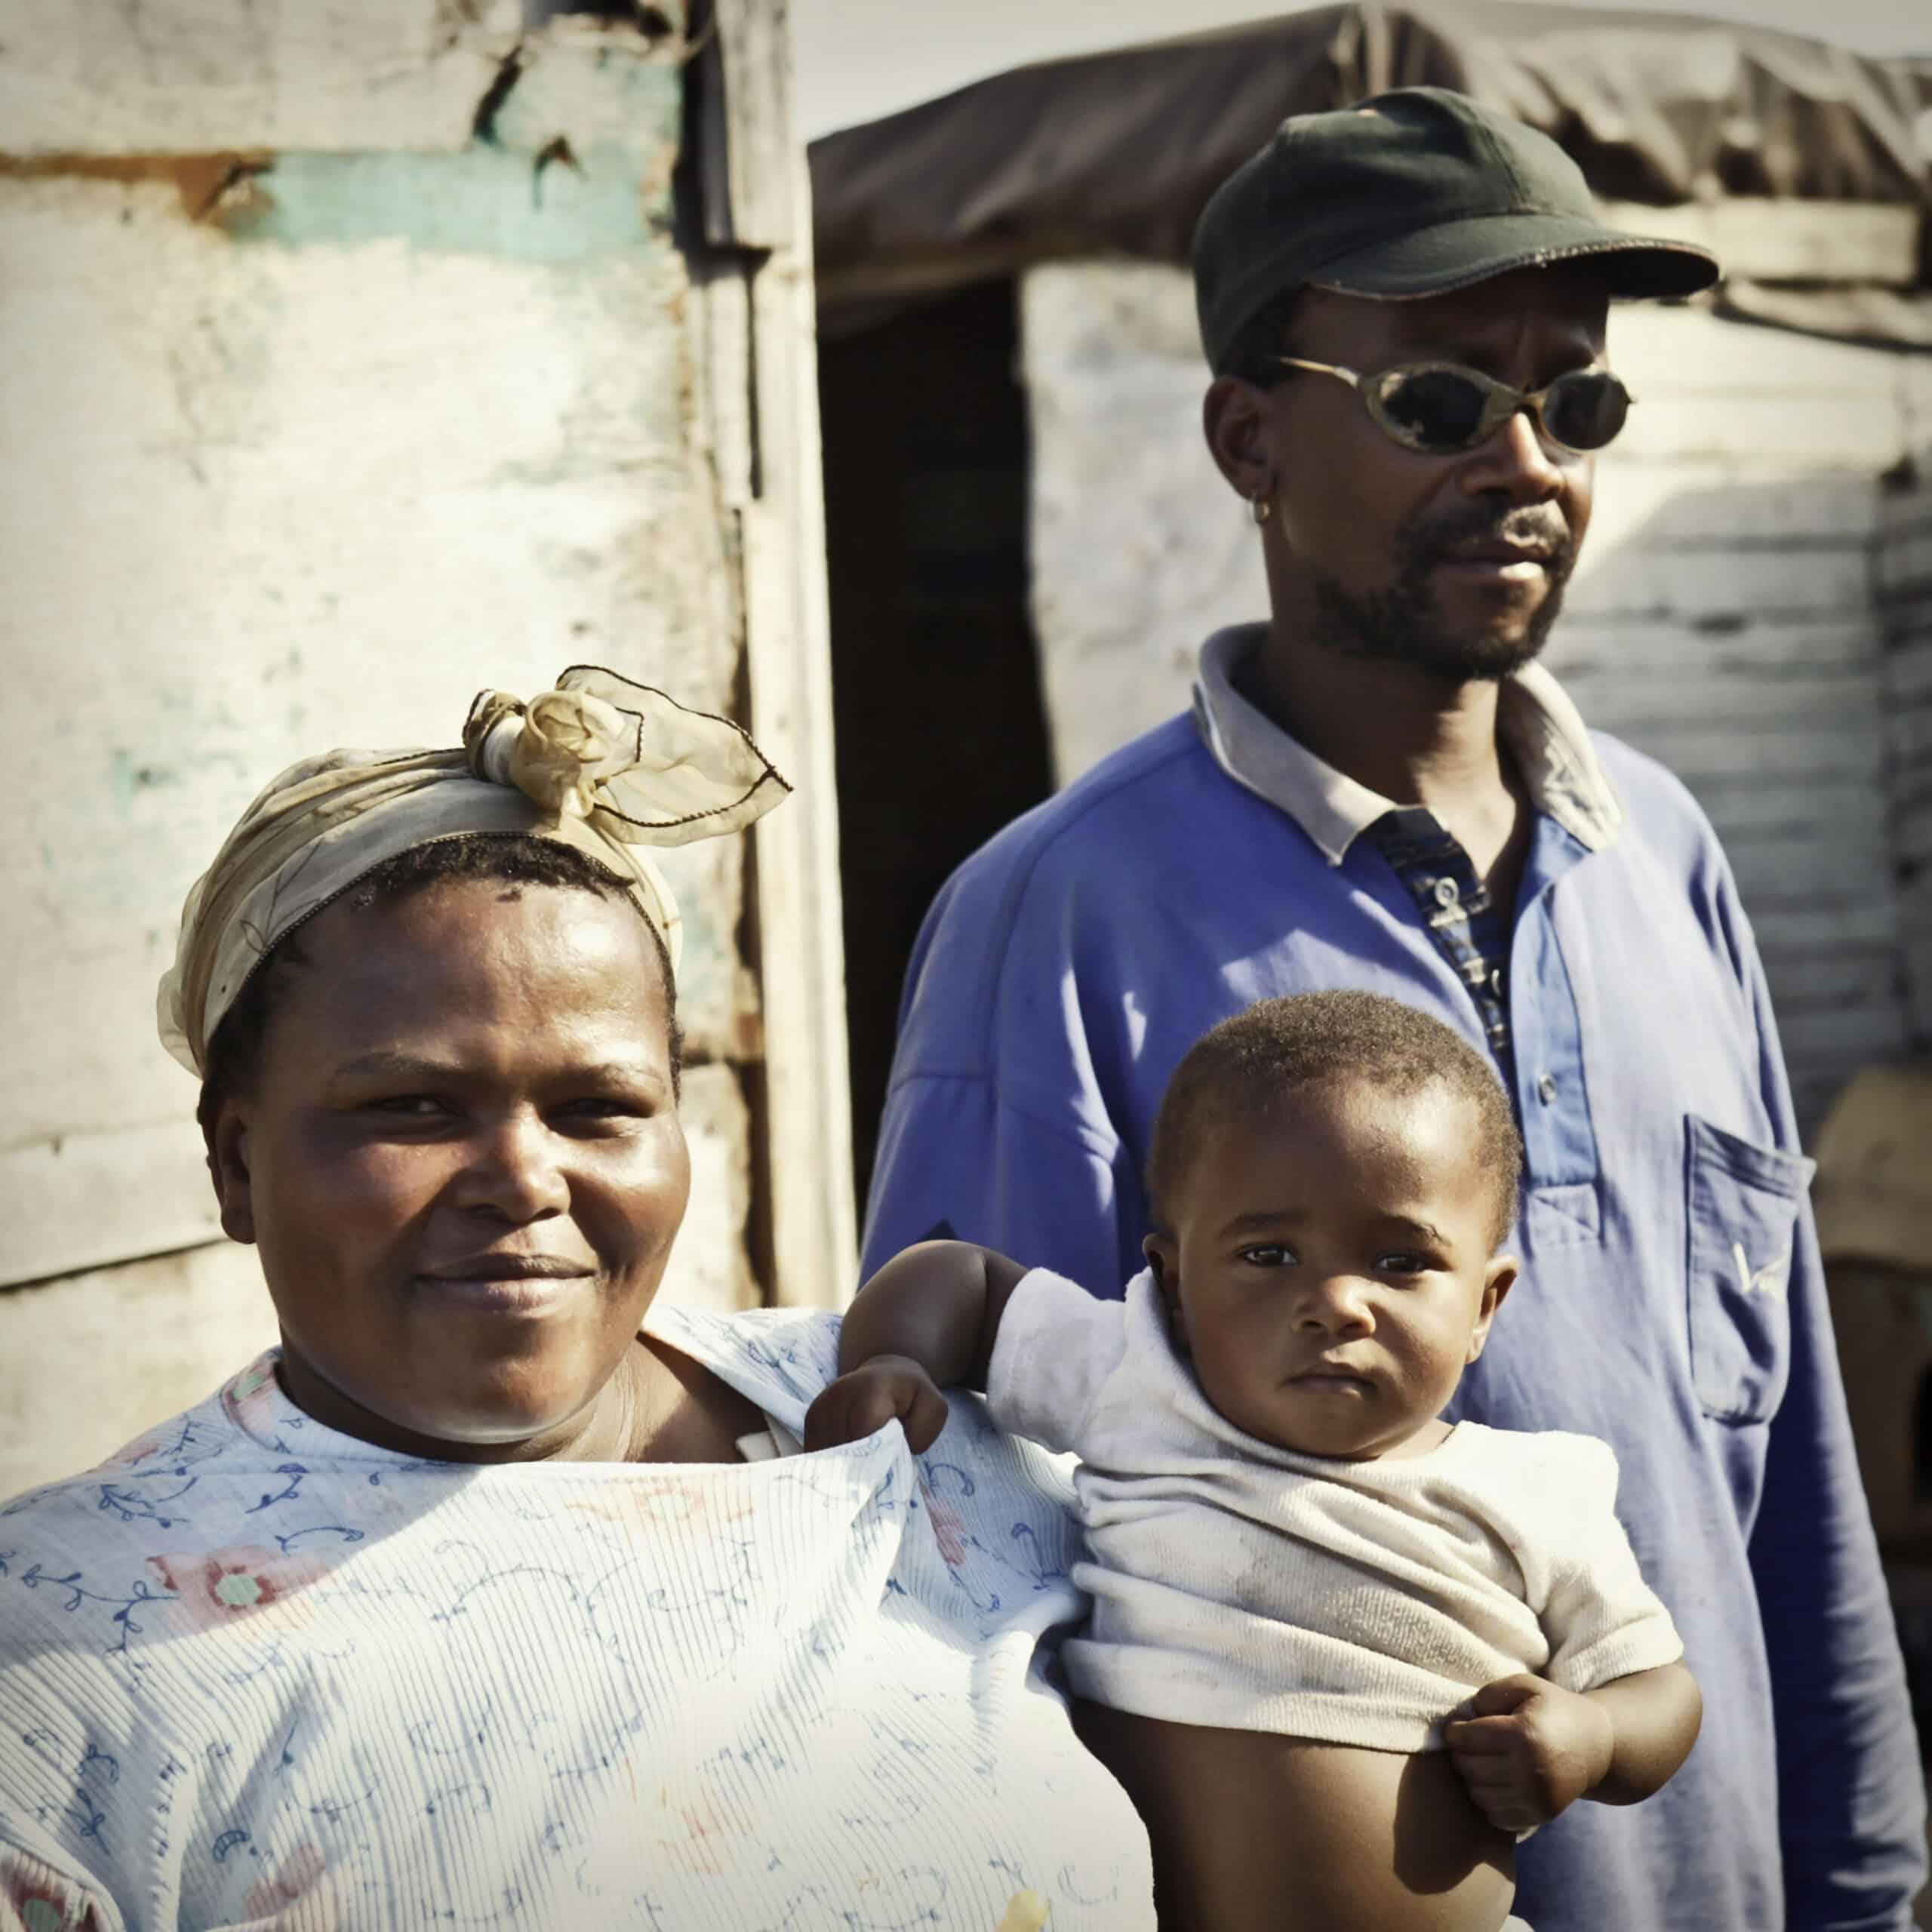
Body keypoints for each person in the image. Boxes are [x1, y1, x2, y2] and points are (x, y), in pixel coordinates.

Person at [860, 86, 1925, 1931]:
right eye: (1440, 401)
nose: (1527, 462)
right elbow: (969, 1562)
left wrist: (1864, 1876)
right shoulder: (1058, 914)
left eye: (1572, 399)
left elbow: (1788, 1463)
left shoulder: (1659, 854)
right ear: (1246, 438)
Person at [0, 669, 1153, 1931]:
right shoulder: (60, 1649)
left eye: (598, 1108)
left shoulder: (918, 1431)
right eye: (412, 1109)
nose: (521, 1179)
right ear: (234, 1162)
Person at [819, 992, 1701, 1930]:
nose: (1336, 1304)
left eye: (1401, 1262)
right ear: (1173, 1284)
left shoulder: (1536, 1492)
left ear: (1484, 1303)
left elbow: (1659, 1689)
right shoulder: (1140, 1382)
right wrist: (894, 1361)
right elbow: (959, 1274)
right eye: (1270, 1253)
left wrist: (1594, 1736)